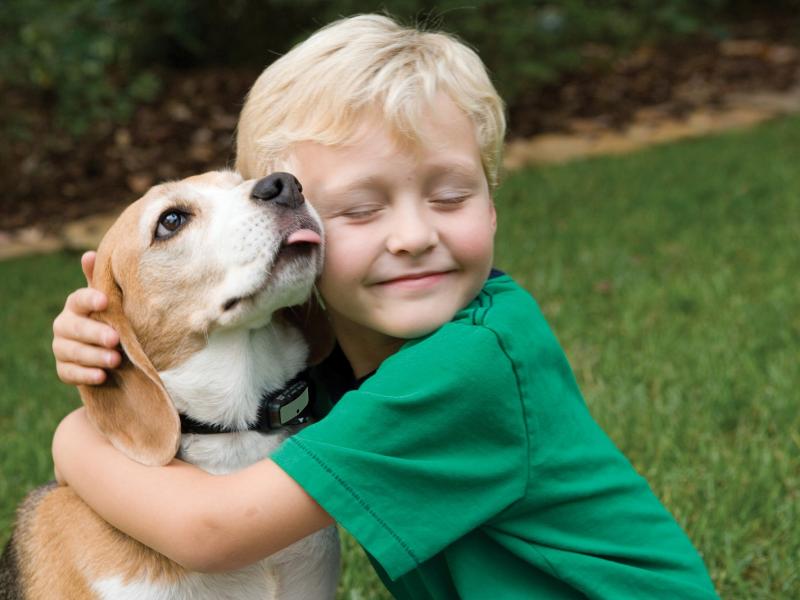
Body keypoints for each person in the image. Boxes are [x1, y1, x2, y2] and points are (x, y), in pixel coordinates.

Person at [50, 14, 718, 599]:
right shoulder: (339, 346)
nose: (414, 236)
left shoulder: (469, 363)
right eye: (362, 209)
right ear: (301, 225)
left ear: (492, 204)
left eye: (451, 196)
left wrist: (76, 435)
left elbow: (214, 530)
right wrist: (111, 340)